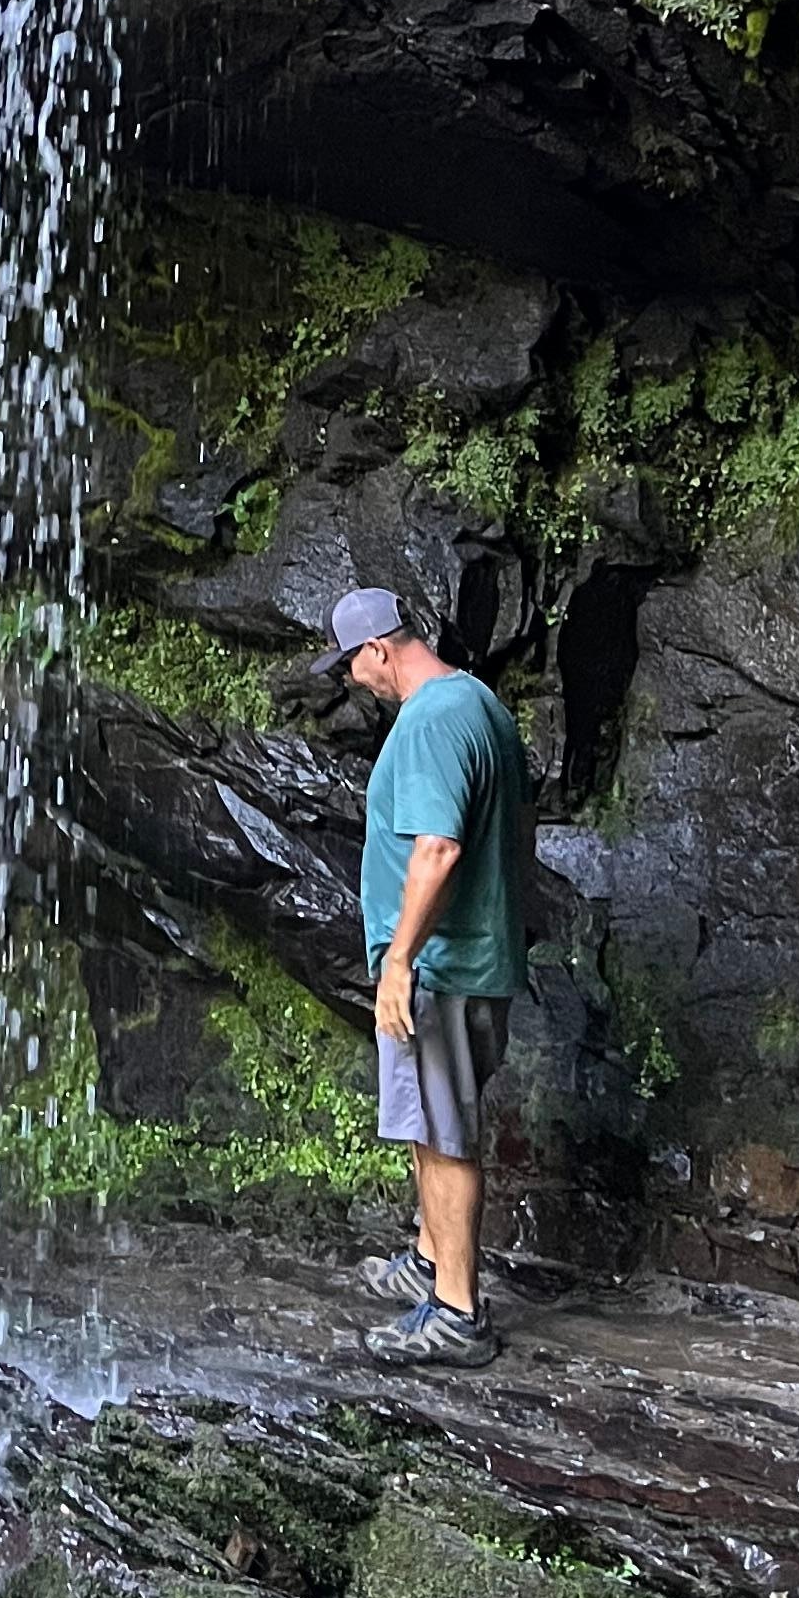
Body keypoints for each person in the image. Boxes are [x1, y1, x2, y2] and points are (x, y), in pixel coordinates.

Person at [312, 586, 532, 1368]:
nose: (354, 683)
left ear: (378, 649)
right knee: (427, 1122)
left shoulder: (433, 722)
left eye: (352, 667)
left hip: (443, 965)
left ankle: (457, 1313)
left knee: (443, 1137)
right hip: (472, 958)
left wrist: (399, 960)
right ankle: (431, 1258)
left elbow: (438, 849)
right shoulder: (477, 704)